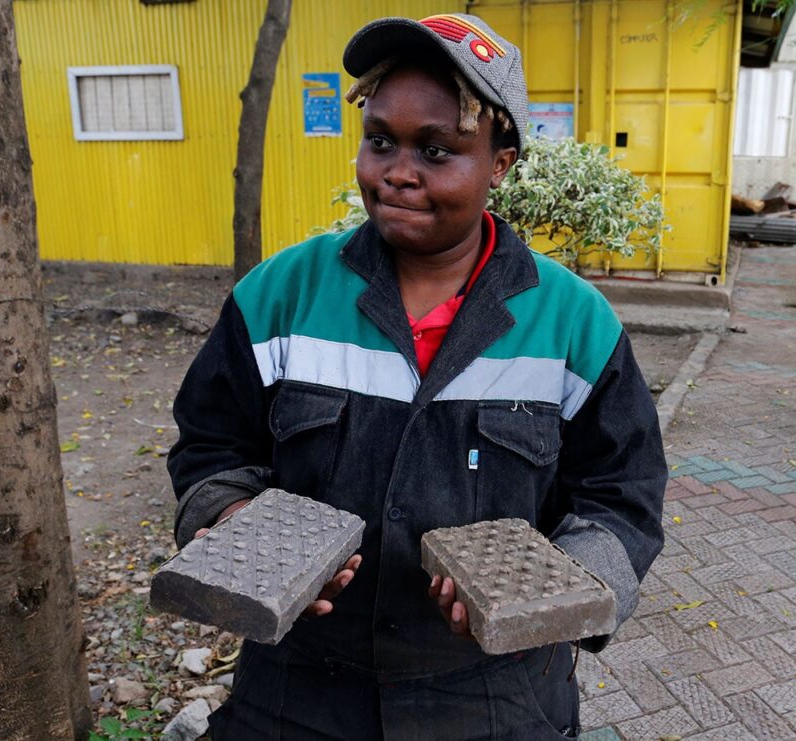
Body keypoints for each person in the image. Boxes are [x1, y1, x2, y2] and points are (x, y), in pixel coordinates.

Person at [167, 13, 665, 739]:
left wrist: (558, 591)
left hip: (499, 693)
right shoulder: (281, 296)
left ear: (500, 164)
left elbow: (623, 493)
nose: (398, 171)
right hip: (294, 686)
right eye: (380, 141)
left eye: (438, 149)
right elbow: (209, 444)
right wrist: (237, 527)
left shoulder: (573, 323)